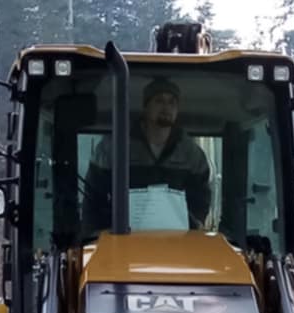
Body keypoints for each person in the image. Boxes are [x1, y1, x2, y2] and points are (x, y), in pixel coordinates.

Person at [82, 76, 213, 233]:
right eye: (159, 101)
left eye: (172, 102)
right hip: (121, 239)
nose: (166, 107)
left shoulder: (191, 154)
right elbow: (93, 198)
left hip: (175, 241)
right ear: (146, 106)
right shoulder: (113, 147)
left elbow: (201, 200)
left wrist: (191, 229)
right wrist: (97, 235)